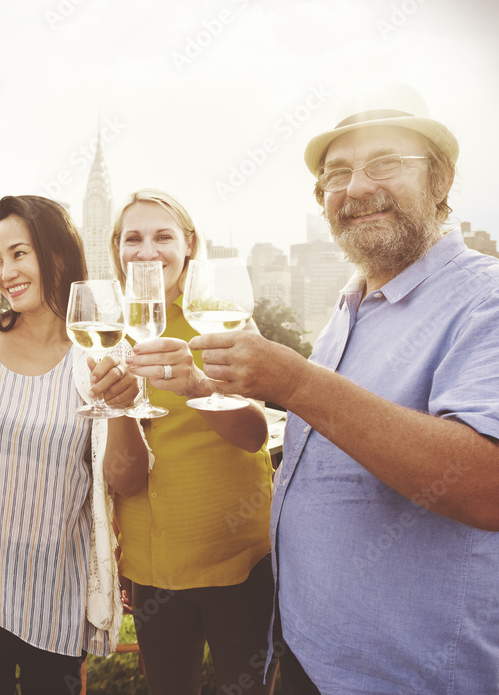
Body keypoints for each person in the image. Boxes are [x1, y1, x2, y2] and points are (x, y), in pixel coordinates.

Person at [170, 83, 499, 693]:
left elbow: (487, 486)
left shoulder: (487, 298)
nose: (356, 188)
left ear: (443, 179)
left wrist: (295, 380)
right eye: (337, 173)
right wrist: (200, 383)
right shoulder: (349, 307)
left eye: (384, 164)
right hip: (303, 657)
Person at [0, 195, 143, 695]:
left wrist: (123, 408)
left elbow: (128, 479)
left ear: (58, 255)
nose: (4, 272)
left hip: (53, 591)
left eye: (19, 254)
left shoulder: (105, 352)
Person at [103, 189, 275, 695]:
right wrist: (117, 407)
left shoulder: (219, 319)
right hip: (153, 564)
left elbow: (255, 435)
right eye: (133, 238)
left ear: (190, 245)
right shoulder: (104, 332)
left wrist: (199, 386)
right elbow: (121, 474)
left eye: (163, 237)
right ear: (117, 248)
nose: (147, 252)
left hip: (235, 557)